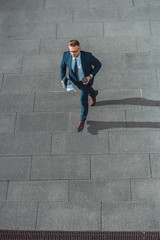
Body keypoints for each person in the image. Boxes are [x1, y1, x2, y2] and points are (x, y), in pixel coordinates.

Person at [60, 40, 101, 132]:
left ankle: (82, 119)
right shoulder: (66, 55)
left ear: (79, 49)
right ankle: (93, 94)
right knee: (87, 91)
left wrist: (90, 76)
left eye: (75, 51)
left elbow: (98, 65)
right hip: (75, 81)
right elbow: (62, 66)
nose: (73, 53)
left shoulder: (87, 56)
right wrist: (62, 79)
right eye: (71, 51)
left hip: (86, 81)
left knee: (83, 100)